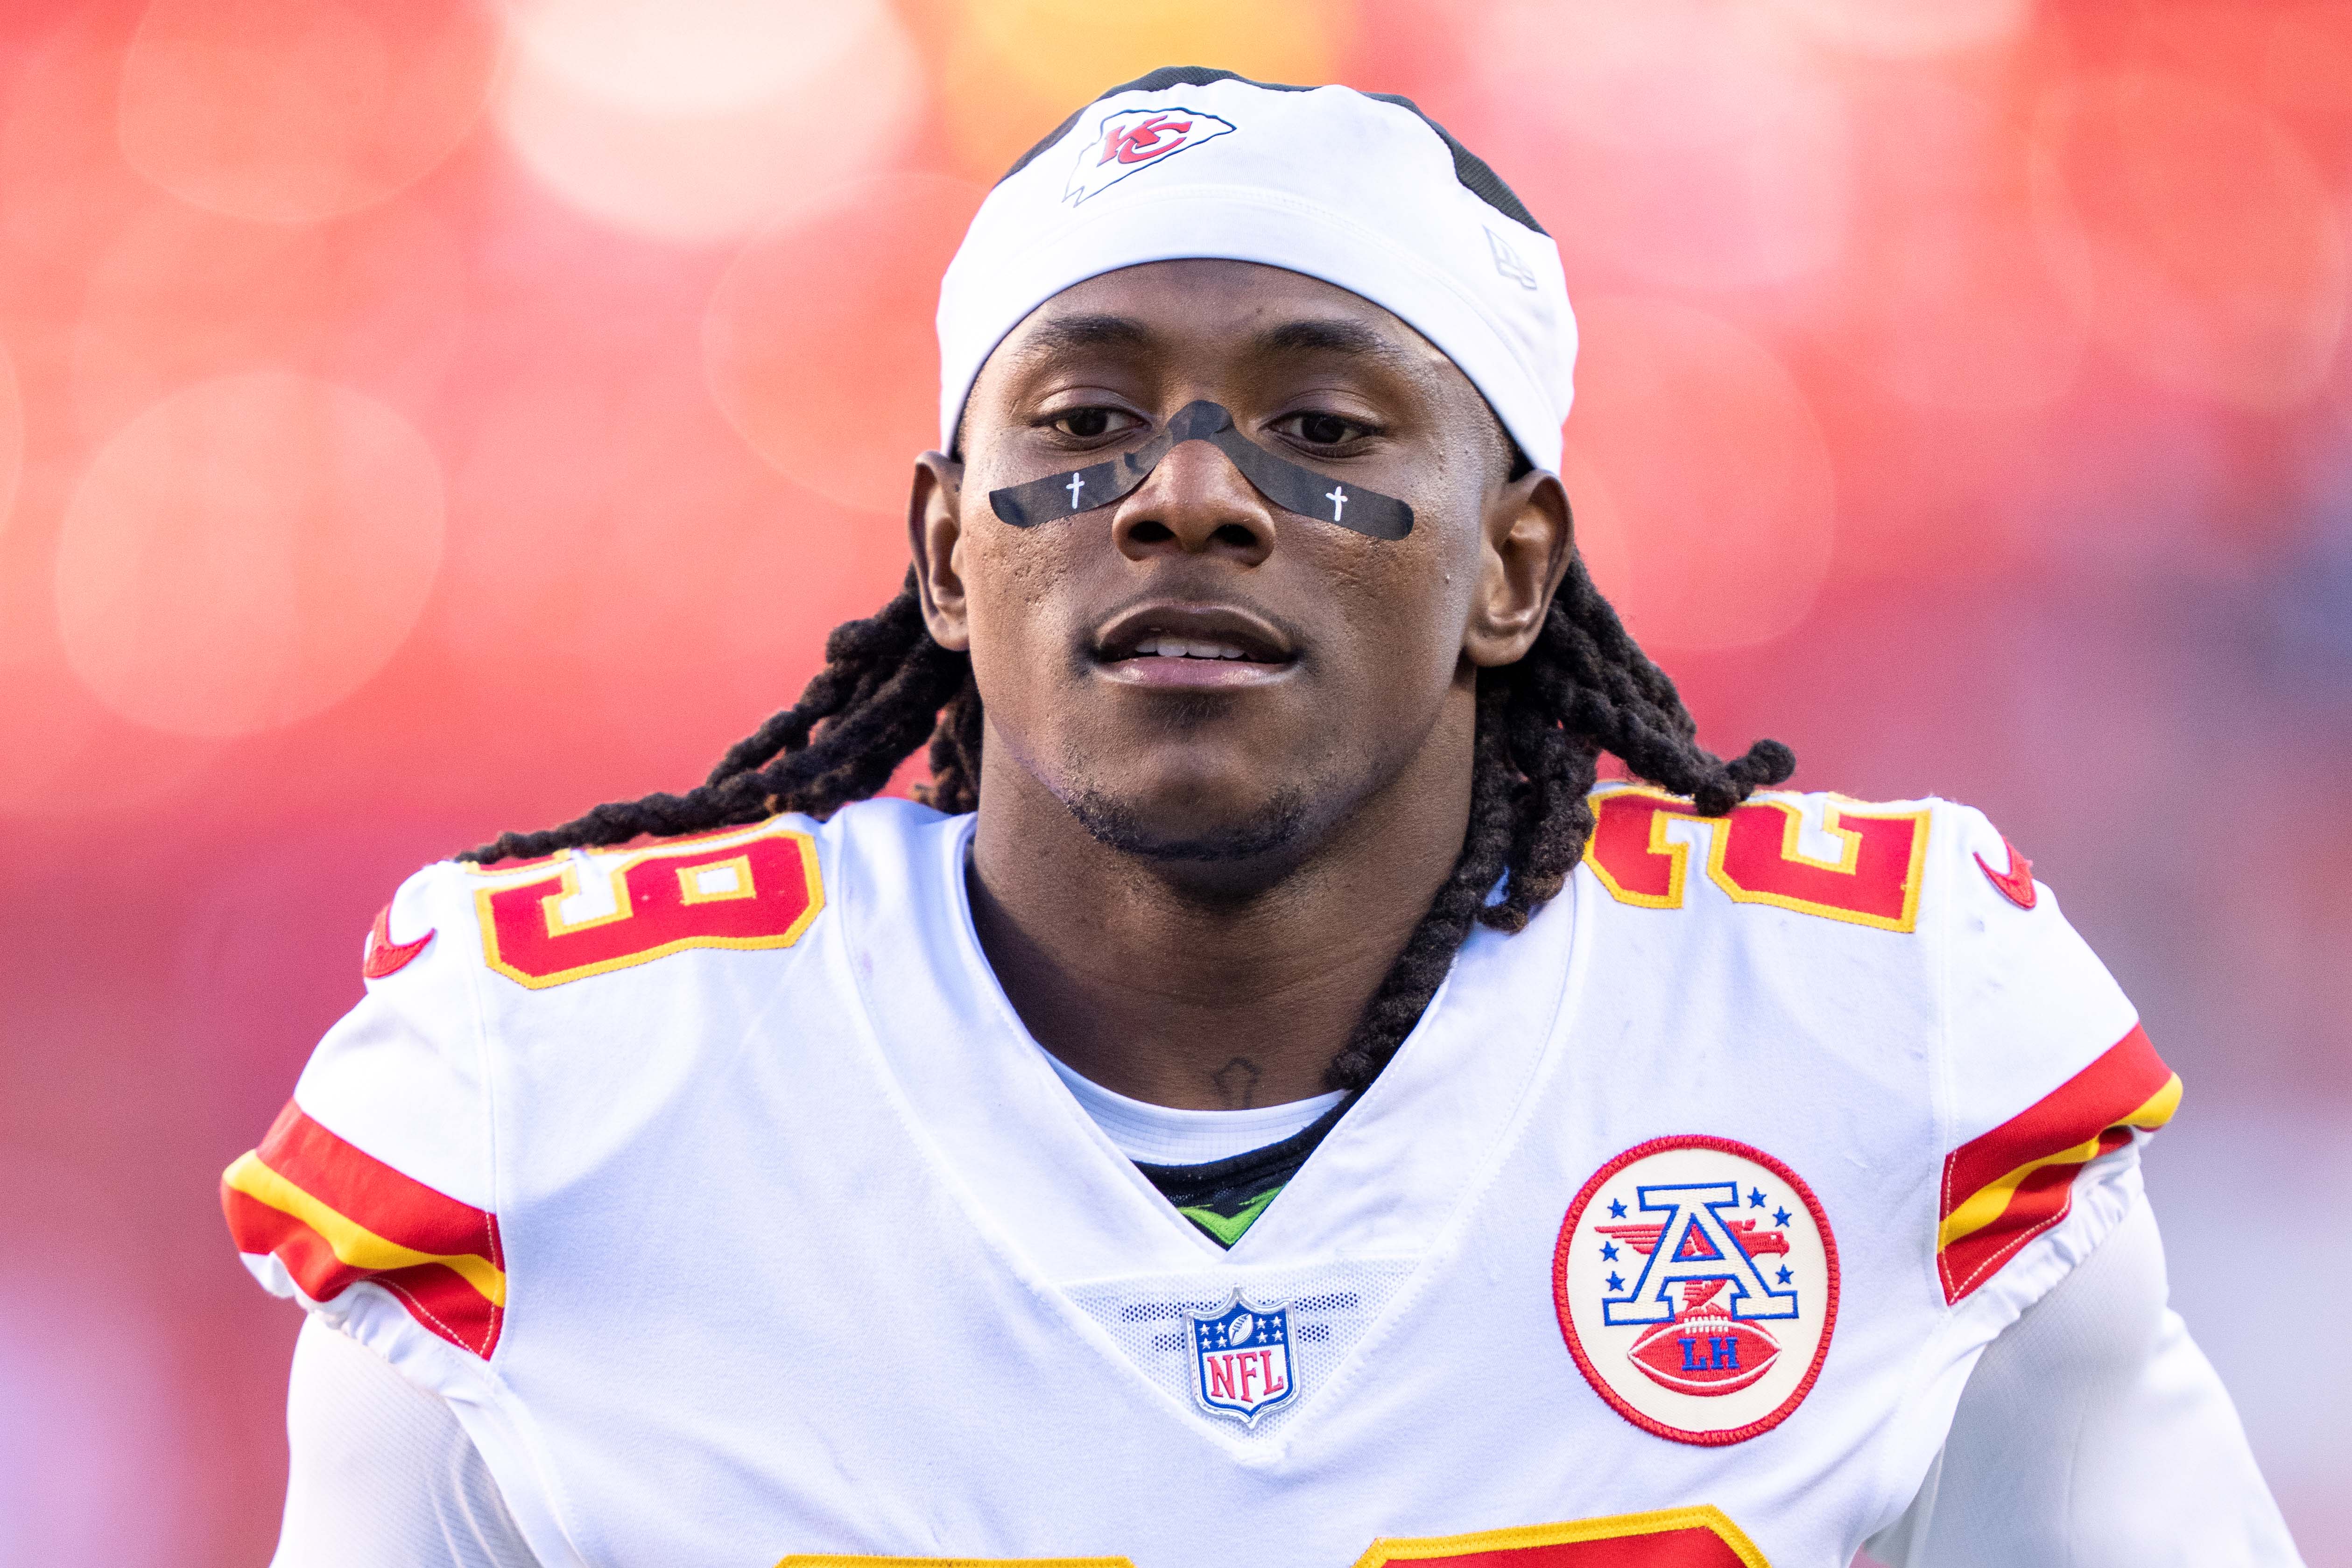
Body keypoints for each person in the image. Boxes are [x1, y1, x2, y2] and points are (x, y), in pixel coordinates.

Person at [225, 69, 2301, 1568]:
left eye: (1319, 425)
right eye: (1083, 418)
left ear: (1513, 569)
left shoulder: (1870, 1030)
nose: (1187, 493)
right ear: (949, 558)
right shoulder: (557, 1091)